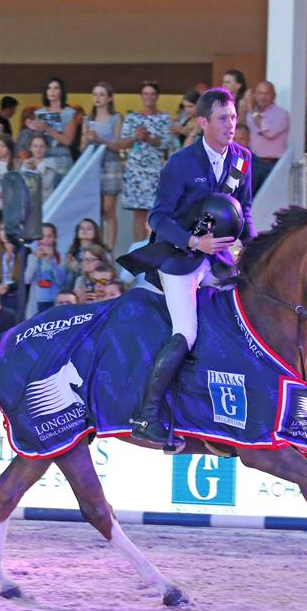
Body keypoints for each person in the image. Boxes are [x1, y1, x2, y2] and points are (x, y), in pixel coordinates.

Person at [123, 86, 253, 448]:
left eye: (234, 118)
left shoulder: (242, 159)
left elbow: (246, 211)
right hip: (179, 259)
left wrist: (254, 255)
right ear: (202, 122)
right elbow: (158, 218)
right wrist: (195, 243)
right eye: (224, 119)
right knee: (187, 331)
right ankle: (146, 416)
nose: (231, 125)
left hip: (218, 259)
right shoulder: (180, 163)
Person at [120, 81, 175, 241]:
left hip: (154, 171)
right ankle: (137, 247)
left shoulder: (164, 118)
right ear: (141, 96)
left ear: (157, 97)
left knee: (154, 211)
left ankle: (152, 247)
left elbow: (166, 143)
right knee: (138, 213)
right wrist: (135, 137)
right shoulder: (132, 118)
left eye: (152, 94)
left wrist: (148, 138)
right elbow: (123, 142)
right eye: (146, 94)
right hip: (135, 170)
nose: (149, 97)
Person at [81, 81, 124, 250]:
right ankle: (96, 246)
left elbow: (118, 145)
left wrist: (101, 140)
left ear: (109, 98)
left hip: (111, 163)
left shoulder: (116, 118)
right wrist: (86, 138)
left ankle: (109, 248)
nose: (98, 98)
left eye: (101, 95)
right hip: (93, 164)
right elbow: (82, 148)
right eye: (95, 94)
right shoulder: (87, 119)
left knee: (109, 209)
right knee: (95, 208)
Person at [20, 77, 80, 181]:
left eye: (56, 88)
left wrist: (47, 128)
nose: (52, 91)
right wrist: (34, 128)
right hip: (44, 158)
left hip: (62, 158)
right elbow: (37, 138)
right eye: (49, 88)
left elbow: (68, 141)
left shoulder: (69, 113)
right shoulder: (40, 112)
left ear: (61, 92)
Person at [247, 80, 290, 191]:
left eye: (267, 93)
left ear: (274, 96)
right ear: (255, 95)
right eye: (260, 93)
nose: (263, 97)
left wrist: (252, 111)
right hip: (253, 163)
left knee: (273, 199)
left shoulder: (282, 114)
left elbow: (269, 132)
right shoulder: (249, 114)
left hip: (274, 165)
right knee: (251, 199)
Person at [22, 223, 66, 318]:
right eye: (42, 237)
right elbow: (27, 280)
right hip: (35, 304)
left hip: (55, 303)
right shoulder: (32, 257)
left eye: (49, 236)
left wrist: (52, 261)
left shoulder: (61, 257)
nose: (45, 240)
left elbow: (63, 282)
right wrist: (36, 259)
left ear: (55, 238)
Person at [16, 133, 61, 203]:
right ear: (30, 148)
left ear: (46, 148)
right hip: (30, 203)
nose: (38, 149)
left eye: (41, 146)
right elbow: (23, 184)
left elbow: (46, 184)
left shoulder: (51, 163)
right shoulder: (26, 163)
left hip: (46, 203)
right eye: (35, 146)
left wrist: (35, 169)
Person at [0, 230, 24, 312]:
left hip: (16, 295)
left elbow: (23, 280)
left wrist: (9, 287)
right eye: (3, 242)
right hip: (0, 295)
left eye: (8, 242)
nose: (6, 245)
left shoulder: (21, 256)